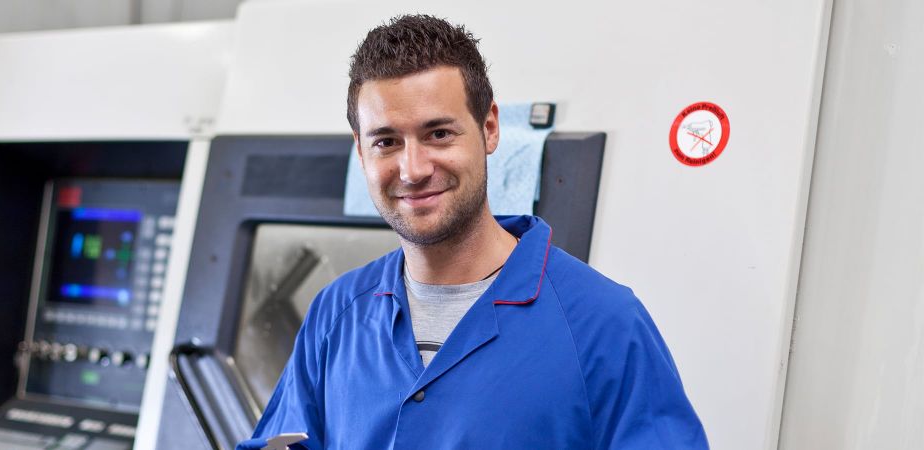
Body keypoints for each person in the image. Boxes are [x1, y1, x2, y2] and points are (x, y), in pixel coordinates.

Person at [239, 14, 708, 449]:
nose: (413, 168)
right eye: (386, 141)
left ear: (488, 129)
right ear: (361, 152)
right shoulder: (336, 314)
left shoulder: (603, 323)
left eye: (439, 134)